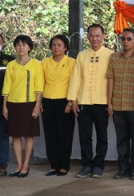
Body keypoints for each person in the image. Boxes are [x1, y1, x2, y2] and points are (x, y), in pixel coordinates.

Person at [67, 23, 113, 178]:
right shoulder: (82, 55)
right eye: (91, 35)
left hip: (102, 101)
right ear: (87, 37)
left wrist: (110, 102)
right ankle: (86, 165)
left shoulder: (110, 55)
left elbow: (113, 81)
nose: (94, 39)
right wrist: (72, 100)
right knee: (84, 135)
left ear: (103, 37)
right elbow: (75, 78)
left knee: (102, 135)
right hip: (84, 101)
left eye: (97, 35)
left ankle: (99, 165)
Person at [107, 28, 134, 180]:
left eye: (129, 39)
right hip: (118, 104)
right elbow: (110, 79)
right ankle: (123, 168)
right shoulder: (114, 57)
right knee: (121, 139)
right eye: (123, 39)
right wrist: (109, 102)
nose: (125, 42)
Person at [2, 35, 44, 178]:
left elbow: (39, 87)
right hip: (13, 104)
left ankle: (26, 165)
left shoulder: (36, 64)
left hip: (29, 103)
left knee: (29, 135)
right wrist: (4, 106)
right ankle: (19, 165)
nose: (21, 48)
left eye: (24, 45)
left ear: (30, 47)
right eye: (18, 45)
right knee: (15, 136)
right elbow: (6, 86)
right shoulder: (11, 65)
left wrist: (37, 105)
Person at [41, 35, 75, 176]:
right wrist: (40, 102)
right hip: (47, 101)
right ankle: (53, 165)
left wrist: (70, 102)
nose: (56, 48)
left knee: (65, 135)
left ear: (65, 47)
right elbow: (40, 83)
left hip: (64, 102)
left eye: (59, 45)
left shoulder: (72, 62)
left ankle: (63, 165)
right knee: (50, 135)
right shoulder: (44, 62)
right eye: (54, 45)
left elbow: (74, 83)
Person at [0, 34, 14, 176]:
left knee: (3, 135)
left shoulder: (9, 61)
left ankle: (2, 164)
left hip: (3, 104)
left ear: (3, 44)